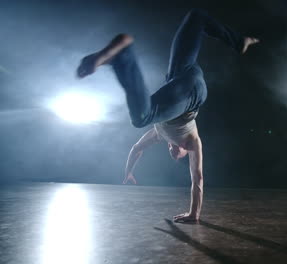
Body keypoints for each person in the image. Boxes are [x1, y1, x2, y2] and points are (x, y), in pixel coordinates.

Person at [77, 8, 259, 223]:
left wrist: (128, 172)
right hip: (192, 93)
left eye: (172, 155)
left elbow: (136, 149)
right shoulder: (192, 143)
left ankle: (239, 41)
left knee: (196, 17)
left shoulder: (159, 135)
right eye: (179, 156)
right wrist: (194, 214)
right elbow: (198, 179)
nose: (174, 155)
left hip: (180, 77)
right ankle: (123, 57)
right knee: (142, 118)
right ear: (184, 151)